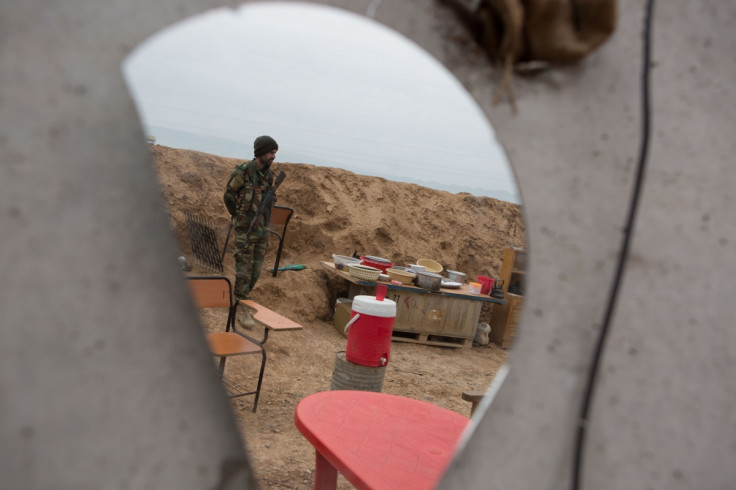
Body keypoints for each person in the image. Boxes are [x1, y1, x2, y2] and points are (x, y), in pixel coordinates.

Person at [223, 135, 278, 328]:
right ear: (261, 152)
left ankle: (242, 299)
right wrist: (239, 217)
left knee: (255, 272)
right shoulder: (243, 171)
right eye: (271, 152)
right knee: (243, 271)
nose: (273, 156)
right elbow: (229, 195)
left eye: (275, 153)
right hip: (245, 230)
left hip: (261, 231)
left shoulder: (269, 176)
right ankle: (242, 306)